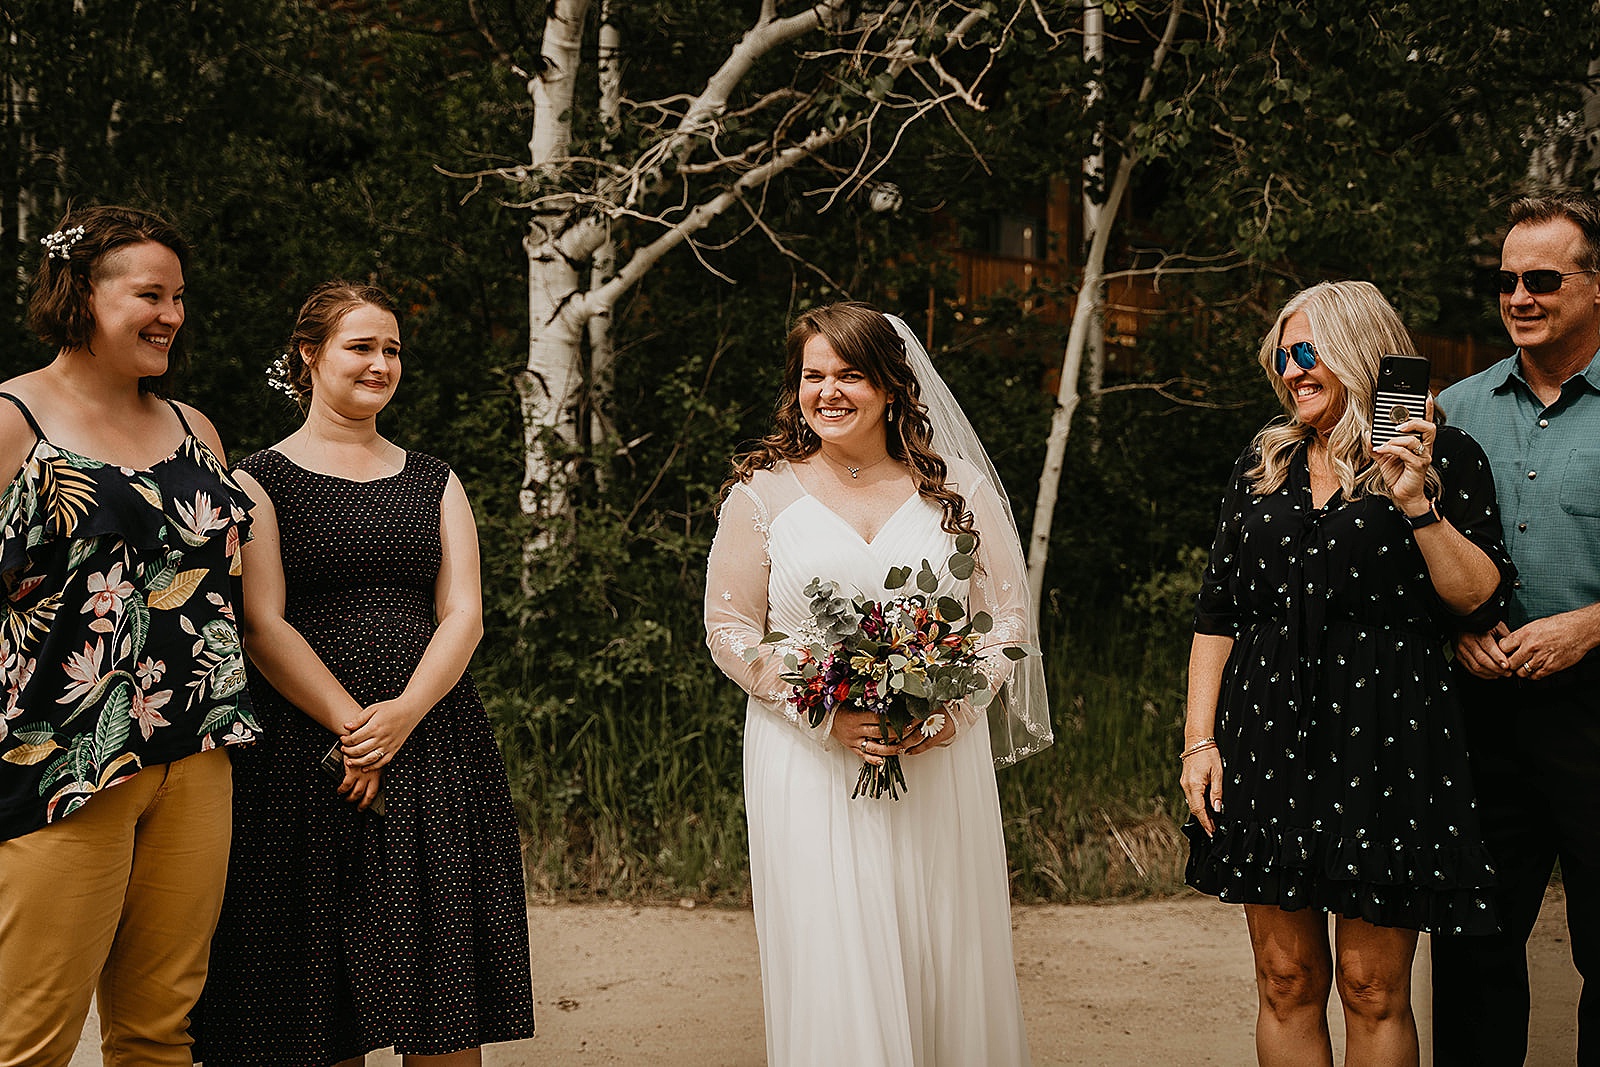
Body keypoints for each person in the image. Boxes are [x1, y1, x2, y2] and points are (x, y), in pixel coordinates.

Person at [191, 282, 535, 1066]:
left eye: (392, 350)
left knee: (442, 997)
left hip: (431, 746)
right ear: (309, 355)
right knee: (317, 1004)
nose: (381, 363)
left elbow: (464, 615)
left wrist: (401, 717)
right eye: (361, 346)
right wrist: (354, 729)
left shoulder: (435, 479)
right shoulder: (258, 480)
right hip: (305, 755)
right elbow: (262, 623)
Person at [704, 301, 1052, 1066]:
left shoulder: (955, 488)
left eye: (850, 374)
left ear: (892, 386)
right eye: (813, 375)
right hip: (808, 759)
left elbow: (1005, 619)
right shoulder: (762, 493)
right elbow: (728, 629)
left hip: (935, 757)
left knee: (943, 944)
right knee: (834, 952)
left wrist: (951, 712)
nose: (827, 391)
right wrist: (819, 709)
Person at [1180, 280, 1513, 1065]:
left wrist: (1416, 503)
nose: (1293, 371)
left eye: (1309, 352)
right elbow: (1219, 609)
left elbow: (1480, 598)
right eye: (1283, 357)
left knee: (1371, 985)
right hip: (1264, 738)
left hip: (1388, 743)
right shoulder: (1266, 462)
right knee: (1286, 975)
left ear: (1361, 350)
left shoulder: (1443, 456)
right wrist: (1199, 741)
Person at [0, 206, 257, 1065]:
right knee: (29, 1035)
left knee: (160, 1032)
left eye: (180, 297)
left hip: (198, 753)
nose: (173, 315)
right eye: (151, 293)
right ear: (80, 294)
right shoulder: (12, 422)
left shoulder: (197, 429)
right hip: (62, 762)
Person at [1431, 192, 1600, 1066]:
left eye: (1543, 278)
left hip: (1599, 711)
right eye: (1506, 281)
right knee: (1474, 949)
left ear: (1597, 285)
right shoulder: (1451, 410)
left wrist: (1593, 625)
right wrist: (1450, 630)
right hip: (1484, 716)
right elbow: (1409, 545)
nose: (1520, 296)